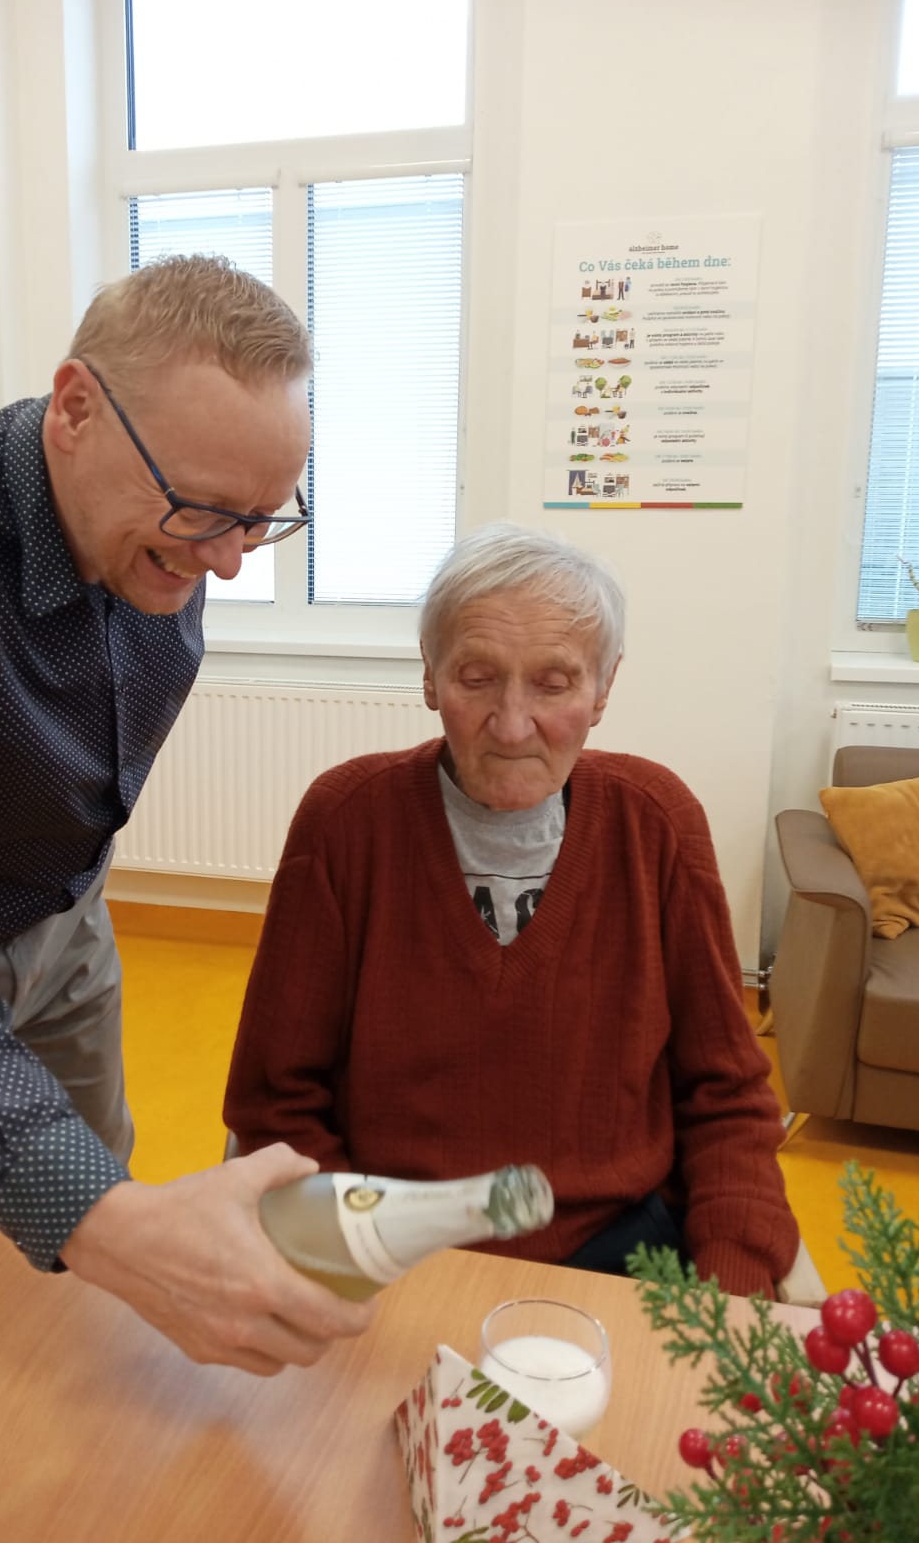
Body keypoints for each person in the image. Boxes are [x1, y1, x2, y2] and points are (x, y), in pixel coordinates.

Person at [0, 254, 372, 1374]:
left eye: (258, 522)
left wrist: (103, 1217)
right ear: (74, 409)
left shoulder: (174, 523)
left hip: (62, 915)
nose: (228, 564)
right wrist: (103, 1217)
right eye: (202, 511)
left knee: (93, 1242)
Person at [223, 522, 800, 1299]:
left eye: (554, 684)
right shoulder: (346, 822)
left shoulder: (657, 822)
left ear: (603, 690)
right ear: (430, 678)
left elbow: (726, 1095)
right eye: (477, 677)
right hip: (396, 1253)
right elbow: (276, 1104)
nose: (512, 723)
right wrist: (352, 1265)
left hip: (623, 1252)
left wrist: (728, 1294)